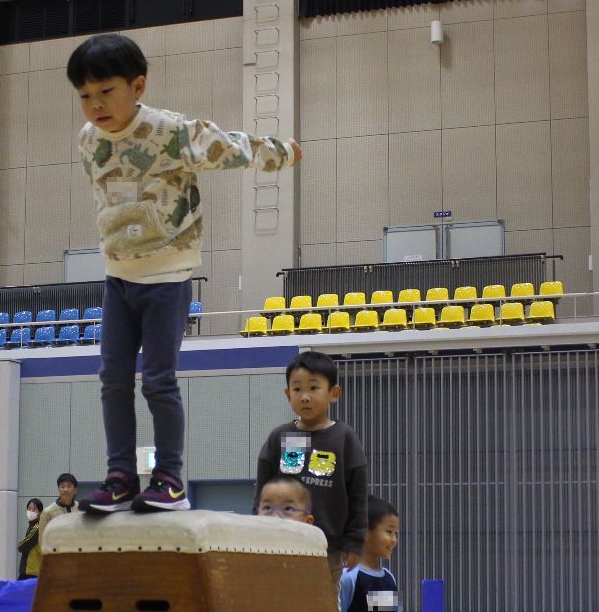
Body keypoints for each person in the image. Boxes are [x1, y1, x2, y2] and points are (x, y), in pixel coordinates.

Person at [68, 33, 301, 515]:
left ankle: (170, 480)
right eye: (85, 96)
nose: (95, 105)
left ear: (138, 86)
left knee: (157, 378)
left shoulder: (168, 131)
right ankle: (119, 478)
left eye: (106, 91)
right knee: (112, 377)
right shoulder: (88, 140)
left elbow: (228, 148)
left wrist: (280, 153)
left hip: (168, 273)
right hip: (118, 274)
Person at [255, 351, 368, 580]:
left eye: (313, 388)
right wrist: (258, 529)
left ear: (334, 393)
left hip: (328, 548)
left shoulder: (344, 437)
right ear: (288, 395)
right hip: (280, 544)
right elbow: (262, 491)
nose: (305, 396)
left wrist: (355, 540)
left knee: (323, 607)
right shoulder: (280, 437)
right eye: (297, 389)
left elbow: (358, 493)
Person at [37, 473, 79, 539]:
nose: (65, 489)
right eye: (62, 487)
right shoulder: (47, 512)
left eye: (69, 486)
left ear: (75, 490)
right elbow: (42, 540)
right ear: (58, 489)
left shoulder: (81, 509)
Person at [17, 499, 45, 578]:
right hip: (31, 569)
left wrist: (19, 545)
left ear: (40, 512)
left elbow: (25, 544)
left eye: (34, 509)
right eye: (29, 509)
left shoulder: (37, 526)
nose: (31, 511)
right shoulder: (33, 525)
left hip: (32, 570)